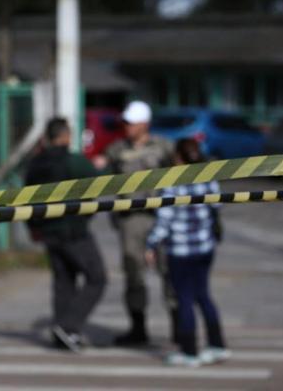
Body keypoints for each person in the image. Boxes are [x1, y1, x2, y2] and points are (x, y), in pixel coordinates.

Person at [145, 138, 230, 367]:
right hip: (204, 247)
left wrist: (151, 244)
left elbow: (164, 220)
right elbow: (216, 208)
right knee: (203, 296)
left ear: (178, 158)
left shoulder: (172, 183)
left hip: (180, 251)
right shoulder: (208, 178)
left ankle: (189, 352)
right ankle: (217, 345)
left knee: (184, 300)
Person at [25, 117, 107, 352]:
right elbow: (99, 183)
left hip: (47, 232)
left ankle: (62, 335)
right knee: (97, 278)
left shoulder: (35, 164)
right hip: (73, 230)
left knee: (64, 283)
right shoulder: (74, 162)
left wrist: (33, 228)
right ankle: (68, 325)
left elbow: (25, 198)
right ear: (65, 136)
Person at [103, 101, 175, 346]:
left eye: (132, 122)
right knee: (133, 272)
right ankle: (138, 328)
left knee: (169, 270)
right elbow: (108, 177)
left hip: (161, 216)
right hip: (131, 219)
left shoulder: (164, 147)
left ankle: (178, 326)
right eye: (125, 122)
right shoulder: (116, 150)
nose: (127, 127)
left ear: (145, 124)